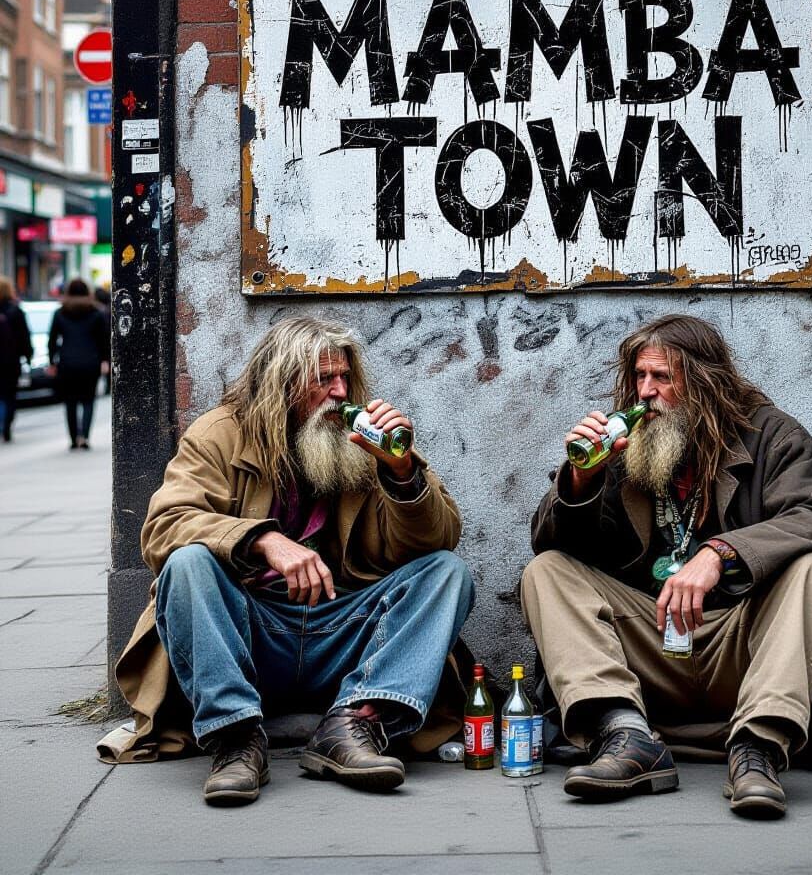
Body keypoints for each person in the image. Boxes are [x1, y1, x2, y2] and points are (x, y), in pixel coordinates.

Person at [98, 317, 474, 807]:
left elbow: (438, 537)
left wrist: (402, 472)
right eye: (323, 380)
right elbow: (164, 527)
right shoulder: (218, 435)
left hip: (341, 631)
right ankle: (235, 739)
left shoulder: (362, 440)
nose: (340, 392)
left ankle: (354, 724)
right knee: (187, 564)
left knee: (447, 572)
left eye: (344, 378)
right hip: (250, 630)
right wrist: (261, 540)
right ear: (282, 382)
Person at [521, 314, 812, 818]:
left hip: (739, 645)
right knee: (545, 571)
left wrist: (721, 553)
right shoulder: (621, 445)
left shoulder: (771, 436)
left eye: (662, 378)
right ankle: (627, 736)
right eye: (639, 377)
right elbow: (554, 543)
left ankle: (758, 749)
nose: (645, 394)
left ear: (701, 382)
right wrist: (579, 482)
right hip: (651, 644)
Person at [47, 278, 109, 449]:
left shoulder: (60, 313)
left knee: (70, 402)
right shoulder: (96, 313)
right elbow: (103, 340)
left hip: (67, 363)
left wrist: (52, 361)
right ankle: (85, 437)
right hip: (90, 363)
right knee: (88, 400)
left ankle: (74, 438)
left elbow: (52, 340)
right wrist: (105, 360)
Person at [0, 276, 33, 443]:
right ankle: (6, 424)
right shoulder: (16, 311)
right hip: (10, 361)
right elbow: (24, 337)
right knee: (9, 395)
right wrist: (28, 356)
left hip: (8, 361)